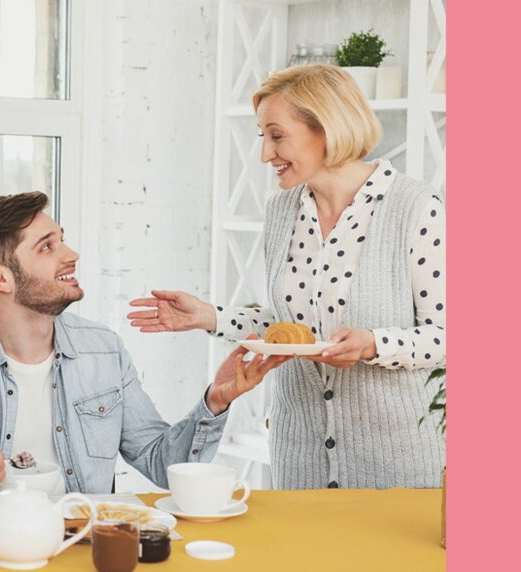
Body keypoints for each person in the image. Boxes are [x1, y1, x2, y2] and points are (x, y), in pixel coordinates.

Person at [128, 65, 446, 490]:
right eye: (263, 136)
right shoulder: (283, 210)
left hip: (397, 465)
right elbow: (293, 330)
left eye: (277, 136)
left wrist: (374, 344)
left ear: (327, 129)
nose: (265, 154)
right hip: (301, 459)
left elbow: (447, 336)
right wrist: (210, 317)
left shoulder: (416, 208)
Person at [0, 192, 287, 501]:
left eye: (61, 239)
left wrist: (216, 401)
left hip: (82, 553)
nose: (72, 254)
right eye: (48, 247)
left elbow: (160, 462)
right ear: (0, 279)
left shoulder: (103, 351)